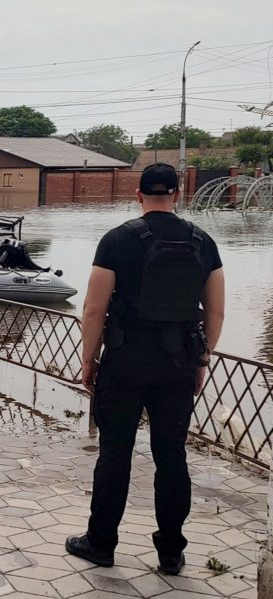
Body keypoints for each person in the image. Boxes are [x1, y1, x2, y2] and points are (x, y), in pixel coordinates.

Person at [67, 162, 225, 576]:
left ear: (138, 195)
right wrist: (201, 359)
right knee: (171, 455)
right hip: (177, 364)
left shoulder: (117, 240)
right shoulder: (203, 242)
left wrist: (89, 358)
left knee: (115, 453)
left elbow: (94, 308)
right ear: (177, 194)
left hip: (125, 362)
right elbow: (217, 311)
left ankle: (101, 543)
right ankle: (171, 552)